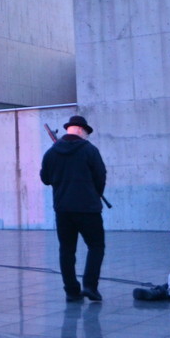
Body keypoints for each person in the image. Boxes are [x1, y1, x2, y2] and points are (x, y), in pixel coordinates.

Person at [40, 114, 107, 302]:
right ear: (80, 129)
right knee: (96, 246)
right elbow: (100, 176)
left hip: (63, 209)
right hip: (89, 209)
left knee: (67, 250)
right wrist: (94, 193)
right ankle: (90, 286)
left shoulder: (51, 152)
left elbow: (45, 178)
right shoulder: (90, 150)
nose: (86, 135)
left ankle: (71, 290)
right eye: (86, 132)